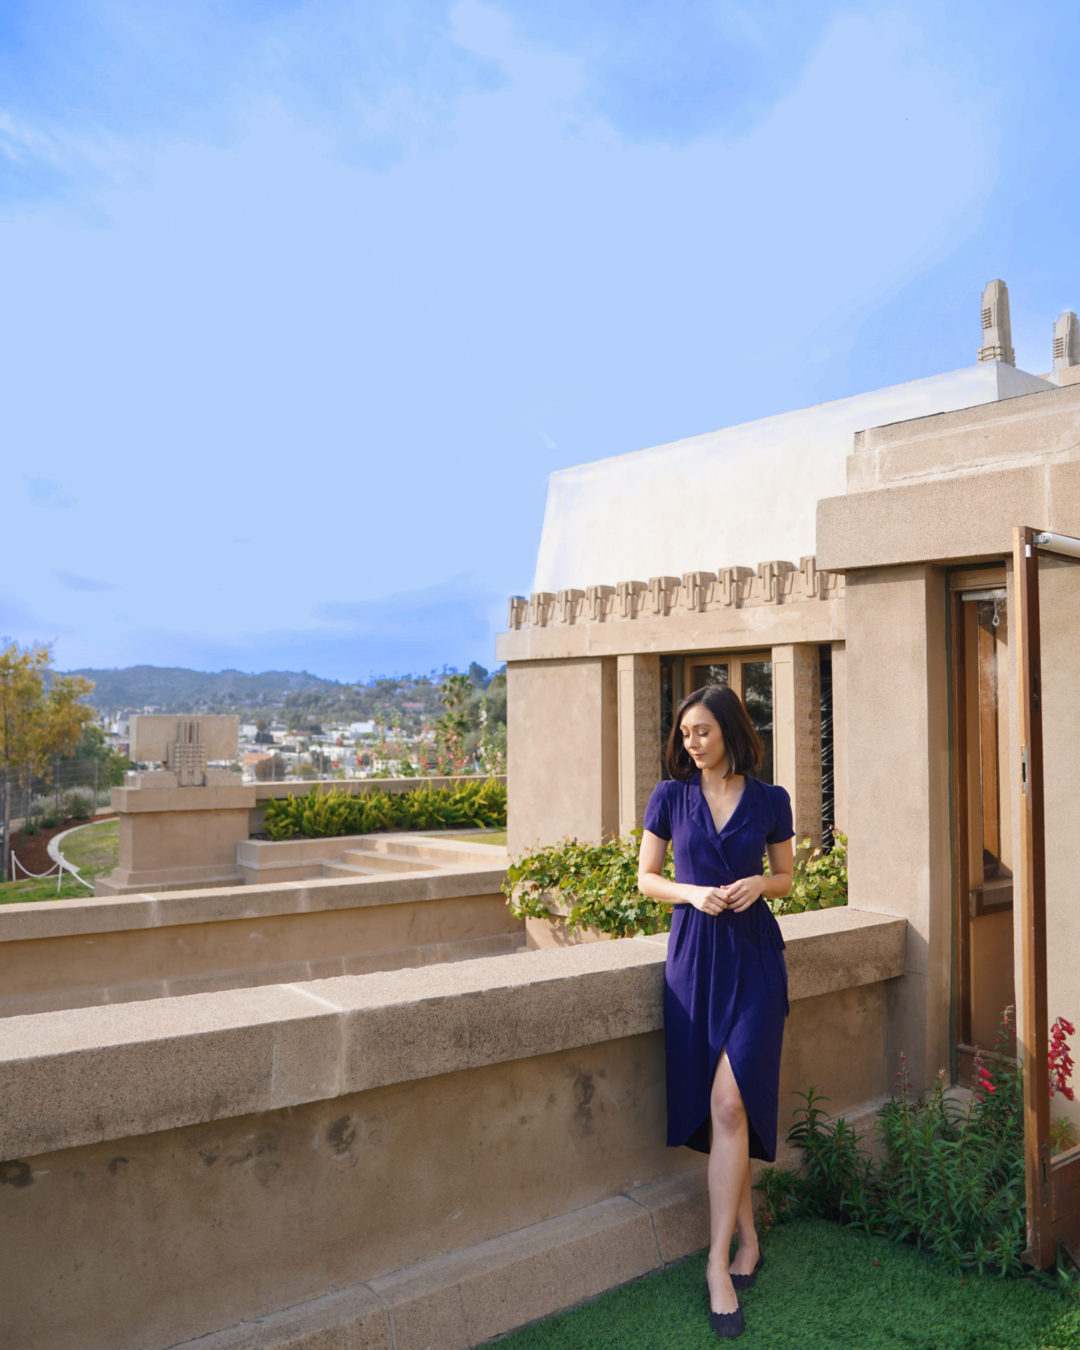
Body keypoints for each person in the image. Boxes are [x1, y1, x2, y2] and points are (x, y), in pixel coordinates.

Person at [637, 683, 794, 1340]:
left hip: (756, 959)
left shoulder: (770, 800)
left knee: (733, 1104)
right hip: (695, 960)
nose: (690, 743)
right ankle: (748, 1240)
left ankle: (715, 1266)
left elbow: (786, 876)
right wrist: (692, 893)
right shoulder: (670, 798)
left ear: (729, 730)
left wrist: (761, 882)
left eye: (701, 731)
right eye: (684, 734)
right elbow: (645, 877)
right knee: (726, 1112)